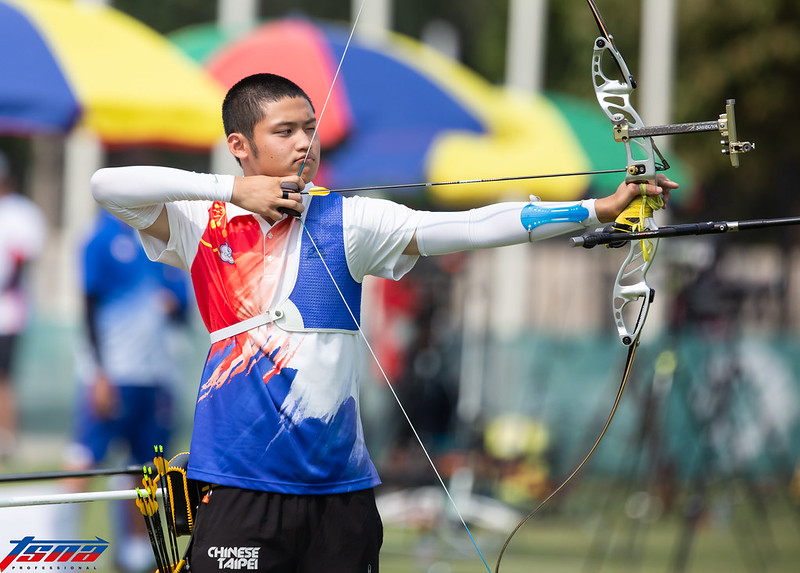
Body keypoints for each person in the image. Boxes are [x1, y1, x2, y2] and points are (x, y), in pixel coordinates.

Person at [91, 72, 677, 572]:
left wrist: (595, 208)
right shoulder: (203, 221)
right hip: (240, 484)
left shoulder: (350, 221)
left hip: (338, 494)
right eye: (285, 131)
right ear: (240, 145)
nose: (305, 144)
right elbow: (106, 186)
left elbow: (472, 226)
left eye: (310, 130)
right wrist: (234, 190)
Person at [64, 208, 189, 573]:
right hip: (114, 372)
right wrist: (99, 373)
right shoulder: (101, 237)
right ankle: (55, 547)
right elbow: (87, 306)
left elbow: (182, 307)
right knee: (85, 458)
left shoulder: (166, 239)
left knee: (145, 468)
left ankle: (135, 553)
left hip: (158, 375)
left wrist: (172, 305)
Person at [0, 150, 46, 461]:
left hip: (8, 312)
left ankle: (6, 436)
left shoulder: (20, 212)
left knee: (4, 376)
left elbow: (21, 260)